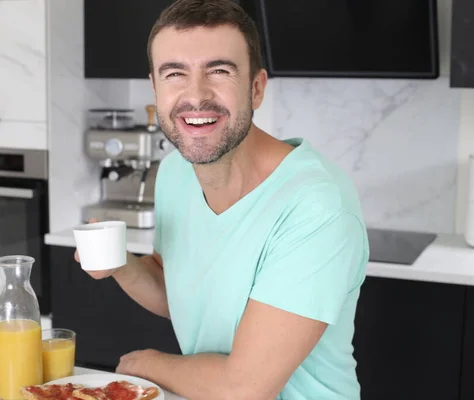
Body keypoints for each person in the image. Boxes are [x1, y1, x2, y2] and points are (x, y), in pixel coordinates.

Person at [74, 0, 369, 398]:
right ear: (155, 90)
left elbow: (244, 388)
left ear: (256, 87)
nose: (196, 95)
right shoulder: (177, 171)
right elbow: (177, 291)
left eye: (219, 71)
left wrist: (142, 366)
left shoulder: (316, 207)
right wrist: (121, 264)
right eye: (175, 73)